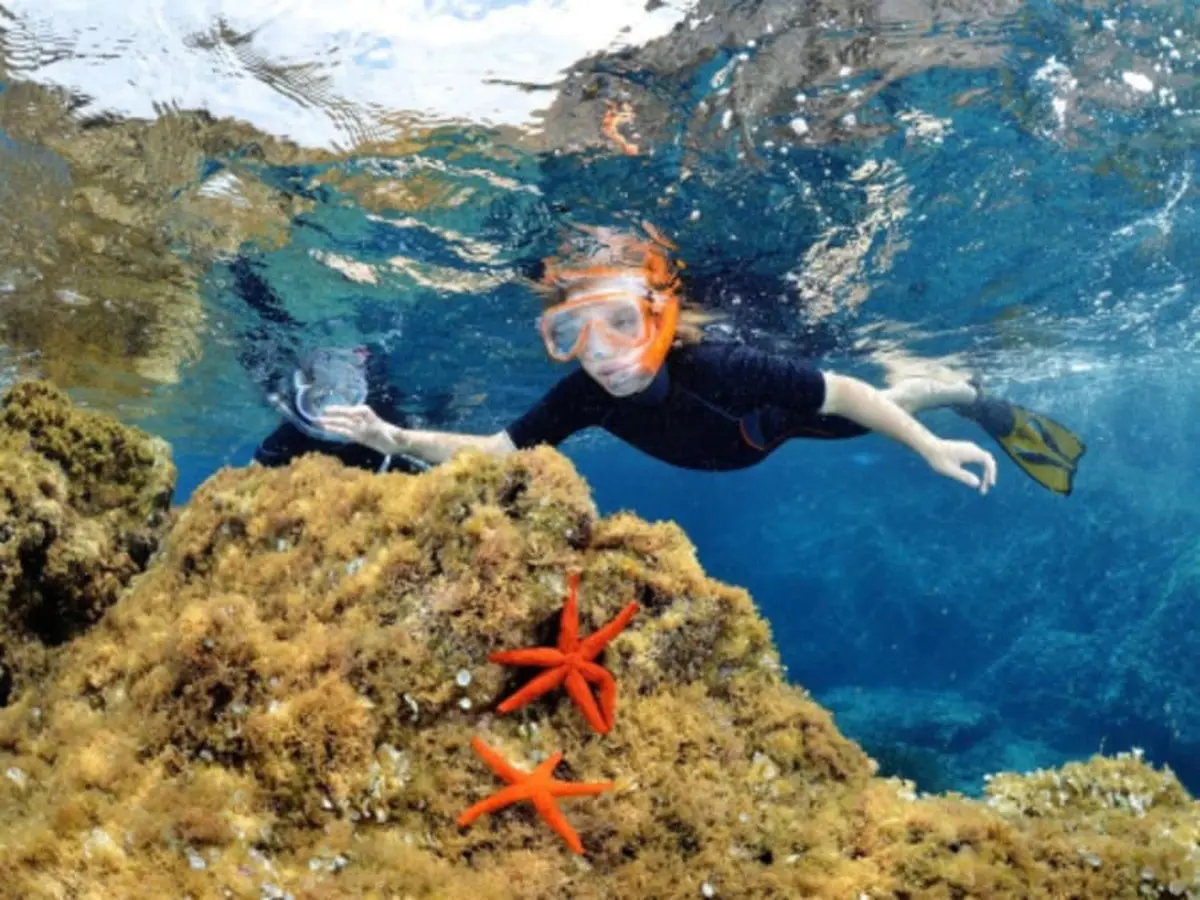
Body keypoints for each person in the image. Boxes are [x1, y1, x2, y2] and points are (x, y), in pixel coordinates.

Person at [315, 223, 1086, 496]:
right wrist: (396, 440)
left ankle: (961, 394)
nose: (602, 355)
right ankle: (945, 399)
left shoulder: (721, 362)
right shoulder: (584, 396)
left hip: (771, 422)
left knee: (867, 418)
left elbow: (848, 391)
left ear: (660, 316)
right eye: (573, 335)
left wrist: (927, 448)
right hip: (732, 449)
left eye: (621, 323)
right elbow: (491, 452)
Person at [254, 345, 430, 475]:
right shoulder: (284, 442)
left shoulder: (387, 428)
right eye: (320, 398)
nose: (334, 410)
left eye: (348, 396)